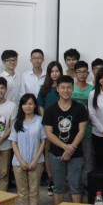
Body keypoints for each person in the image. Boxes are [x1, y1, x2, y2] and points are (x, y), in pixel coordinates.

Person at [42, 75, 89, 205]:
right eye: (62, 87)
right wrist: (65, 147)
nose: (66, 90)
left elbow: (82, 131)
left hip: (76, 154)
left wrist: (70, 149)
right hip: (56, 153)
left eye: (68, 87)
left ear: (72, 89)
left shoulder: (80, 108)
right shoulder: (50, 109)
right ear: (57, 89)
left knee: (76, 186)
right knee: (58, 186)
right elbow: (49, 133)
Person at [10, 94, 46, 205]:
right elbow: (13, 143)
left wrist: (35, 160)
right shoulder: (17, 122)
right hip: (18, 163)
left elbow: (43, 142)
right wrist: (21, 161)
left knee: (34, 192)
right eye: (25, 104)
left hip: (36, 162)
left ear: (35, 105)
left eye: (30, 104)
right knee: (22, 193)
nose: (27, 106)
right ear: (21, 106)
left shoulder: (40, 121)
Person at [37, 60, 63, 195]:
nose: (54, 74)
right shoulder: (44, 89)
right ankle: (51, 179)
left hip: (63, 125)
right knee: (48, 151)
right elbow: (40, 106)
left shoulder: (64, 87)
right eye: (52, 71)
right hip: (48, 125)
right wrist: (46, 120)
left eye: (57, 71)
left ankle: (61, 180)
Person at [71, 61, 94, 187]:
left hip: (88, 131)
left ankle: (87, 186)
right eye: (79, 72)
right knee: (73, 160)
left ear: (88, 73)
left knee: (88, 160)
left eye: (84, 72)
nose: (82, 74)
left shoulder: (92, 89)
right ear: (75, 73)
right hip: (72, 132)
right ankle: (74, 185)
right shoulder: (70, 88)